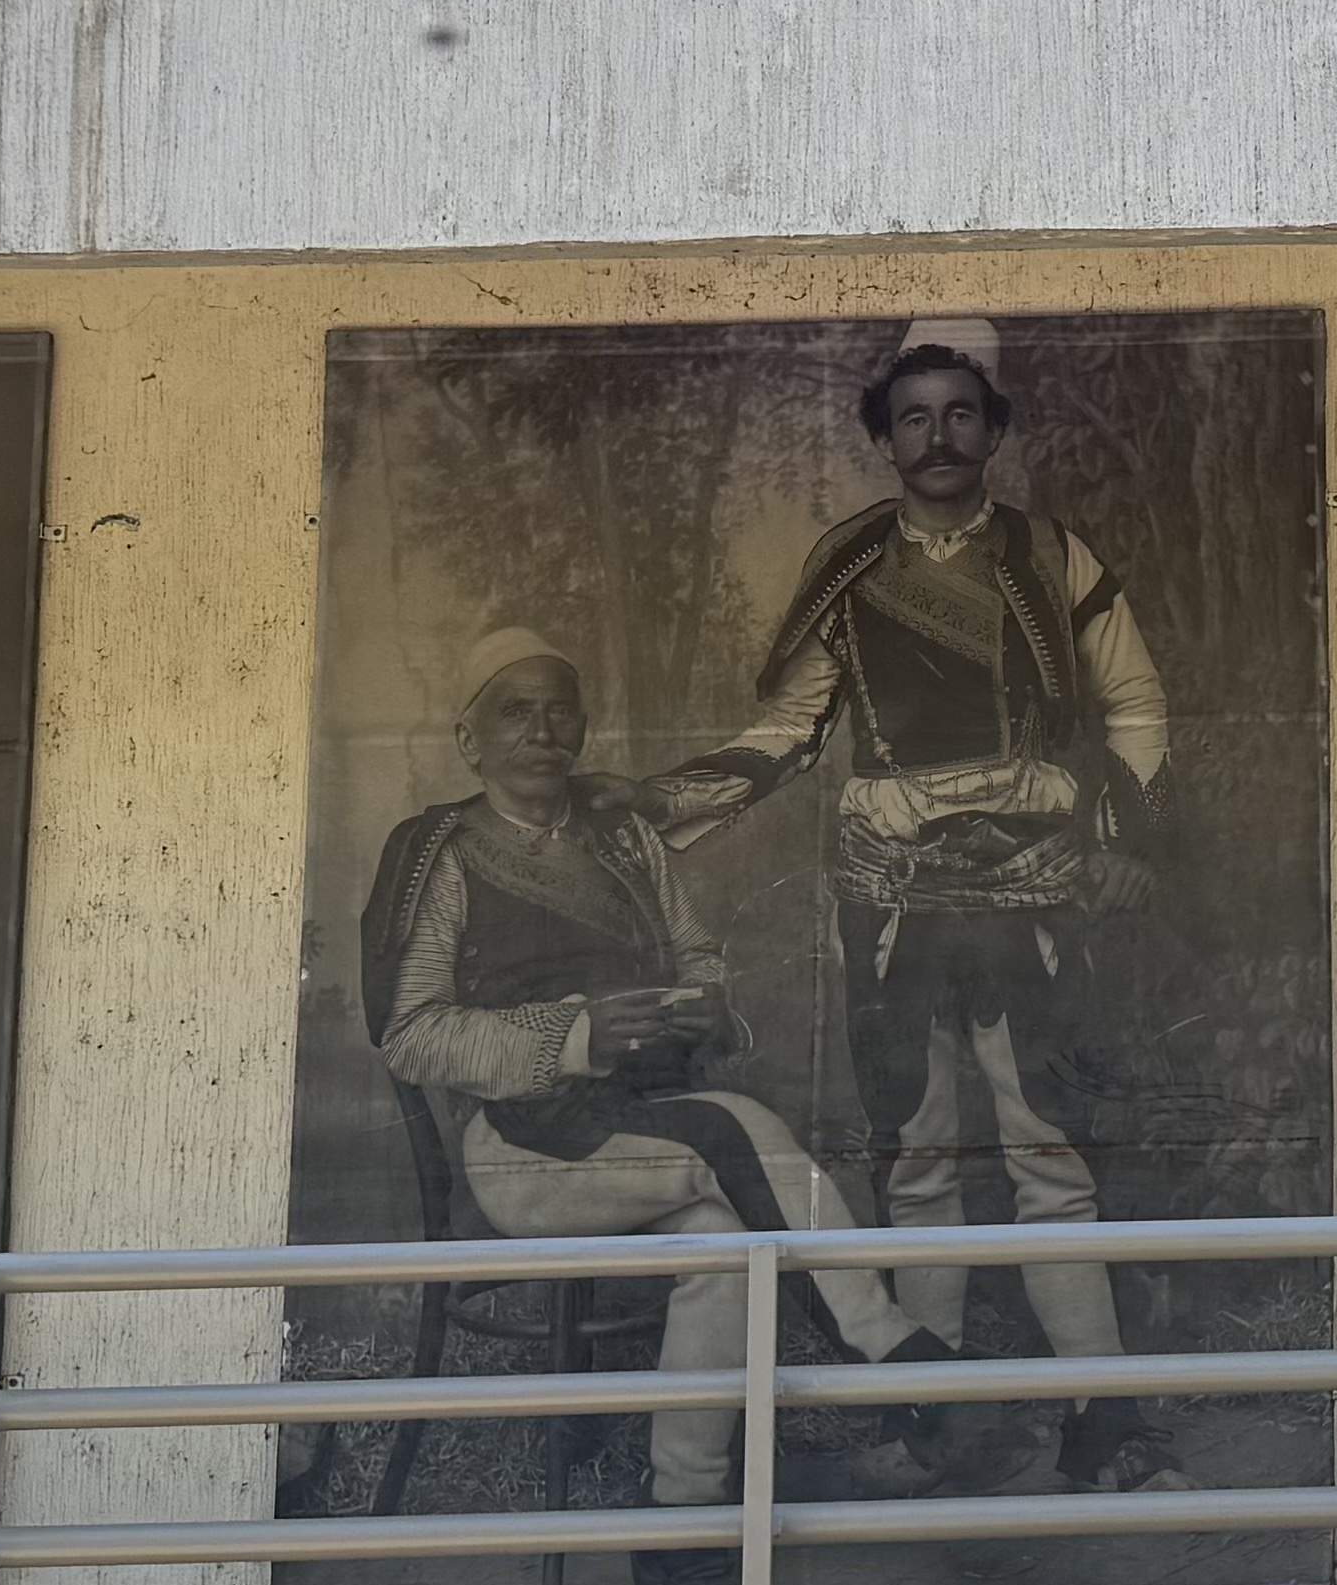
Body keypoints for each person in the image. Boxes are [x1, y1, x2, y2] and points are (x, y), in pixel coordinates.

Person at [653, 324, 1177, 1491]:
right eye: (913, 417)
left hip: (1037, 888)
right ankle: (937, 1426)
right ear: (884, 438)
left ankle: (1105, 1420)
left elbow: (1133, 704)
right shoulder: (847, 564)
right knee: (921, 1161)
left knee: (1050, 1157)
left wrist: (1123, 841)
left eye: (960, 414)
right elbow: (791, 730)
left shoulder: (1054, 556)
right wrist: (663, 809)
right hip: (888, 895)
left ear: (994, 428)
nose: (939, 438)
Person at [363, 632, 928, 1532]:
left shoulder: (623, 838)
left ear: (584, 726)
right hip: (522, 1152)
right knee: (733, 1127)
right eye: (515, 712)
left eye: (560, 709)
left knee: (717, 1237)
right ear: (469, 741)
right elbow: (413, 1036)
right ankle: (893, 1361)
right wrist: (577, 1035)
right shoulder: (442, 851)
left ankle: (682, 1519)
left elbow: (698, 956)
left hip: (649, 1131)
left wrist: (711, 1011)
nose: (543, 730)